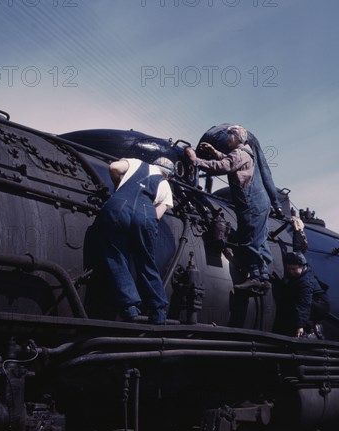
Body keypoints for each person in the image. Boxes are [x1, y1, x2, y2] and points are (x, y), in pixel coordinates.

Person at [185, 125, 271, 282]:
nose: (227, 138)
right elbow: (230, 160)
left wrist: (195, 161)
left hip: (250, 203)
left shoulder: (239, 153)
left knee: (248, 240)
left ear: (237, 138)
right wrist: (214, 152)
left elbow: (223, 166)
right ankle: (263, 275)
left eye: (229, 135)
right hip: (259, 202)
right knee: (260, 240)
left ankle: (256, 278)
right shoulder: (244, 152)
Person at [94, 157, 174, 324]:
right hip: (145, 215)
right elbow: (157, 216)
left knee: (115, 255)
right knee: (146, 262)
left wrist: (118, 188)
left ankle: (130, 307)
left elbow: (114, 167)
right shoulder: (165, 185)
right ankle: (158, 311)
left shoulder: (137, 163)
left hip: (117, 207)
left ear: (154, 163)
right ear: (168, 175)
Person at [274, 252, 329, 338]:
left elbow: (304, 304)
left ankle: (311, 330)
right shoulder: (302, 273)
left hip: (318, 304)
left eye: (293, 269)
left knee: (297, 310)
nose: (291, 272)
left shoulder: (305, 283)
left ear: (302, 266)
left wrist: (300, 325)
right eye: (289, 269)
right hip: (313, 301)